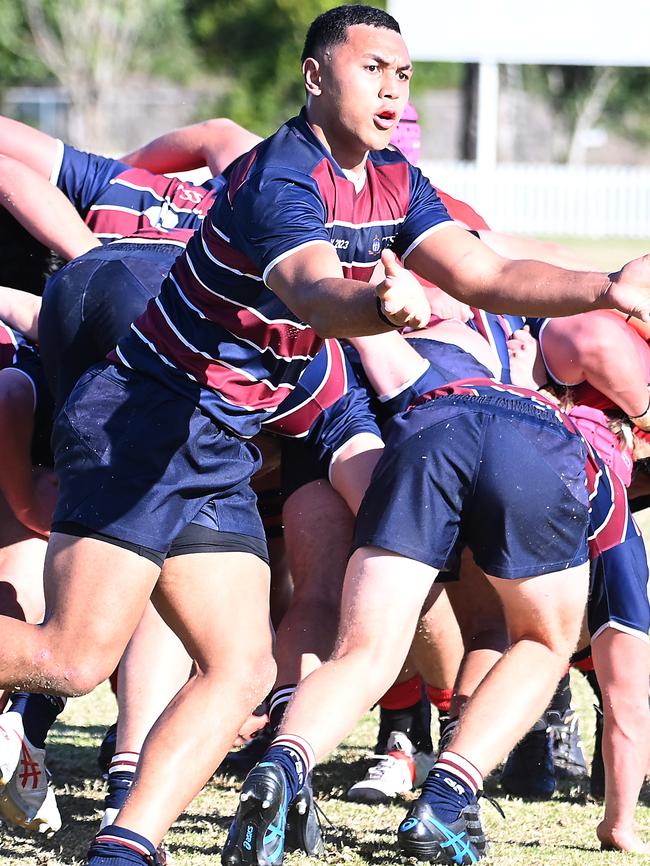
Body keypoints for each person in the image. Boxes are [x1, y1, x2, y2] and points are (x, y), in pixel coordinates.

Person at [0, 6, 650, 866]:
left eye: (404, 74)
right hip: (145, 418)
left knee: (239, 674)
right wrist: (375, 305)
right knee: (74, 659)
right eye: (372, 68)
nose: (391, 89)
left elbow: (484, 272)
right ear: (315, 78)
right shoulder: (280, 179)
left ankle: (128, 845)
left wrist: (605, 285)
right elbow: (310, 291)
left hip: (222, 437)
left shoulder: (391, 179)